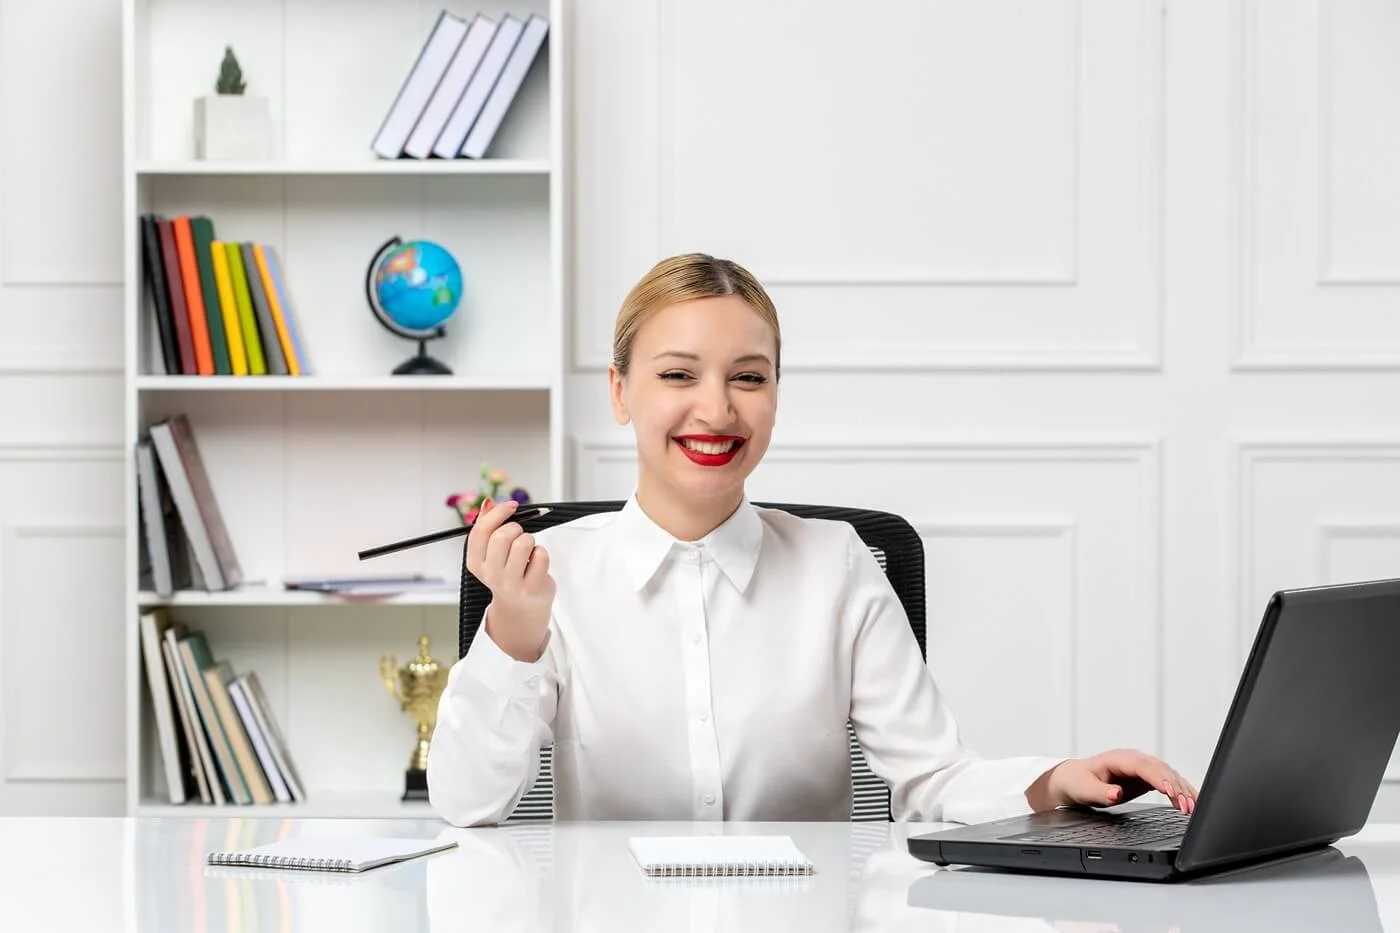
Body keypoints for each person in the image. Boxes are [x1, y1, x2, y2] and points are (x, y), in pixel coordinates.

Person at [427, 253, 1198, 828]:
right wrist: (515, 635)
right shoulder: (553, 573)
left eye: (749, 377)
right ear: (621, 391)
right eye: (678, 375)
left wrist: (1056, 779)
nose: (716, 408)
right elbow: (467, 804)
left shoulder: (840, 563)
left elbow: (932, 778)